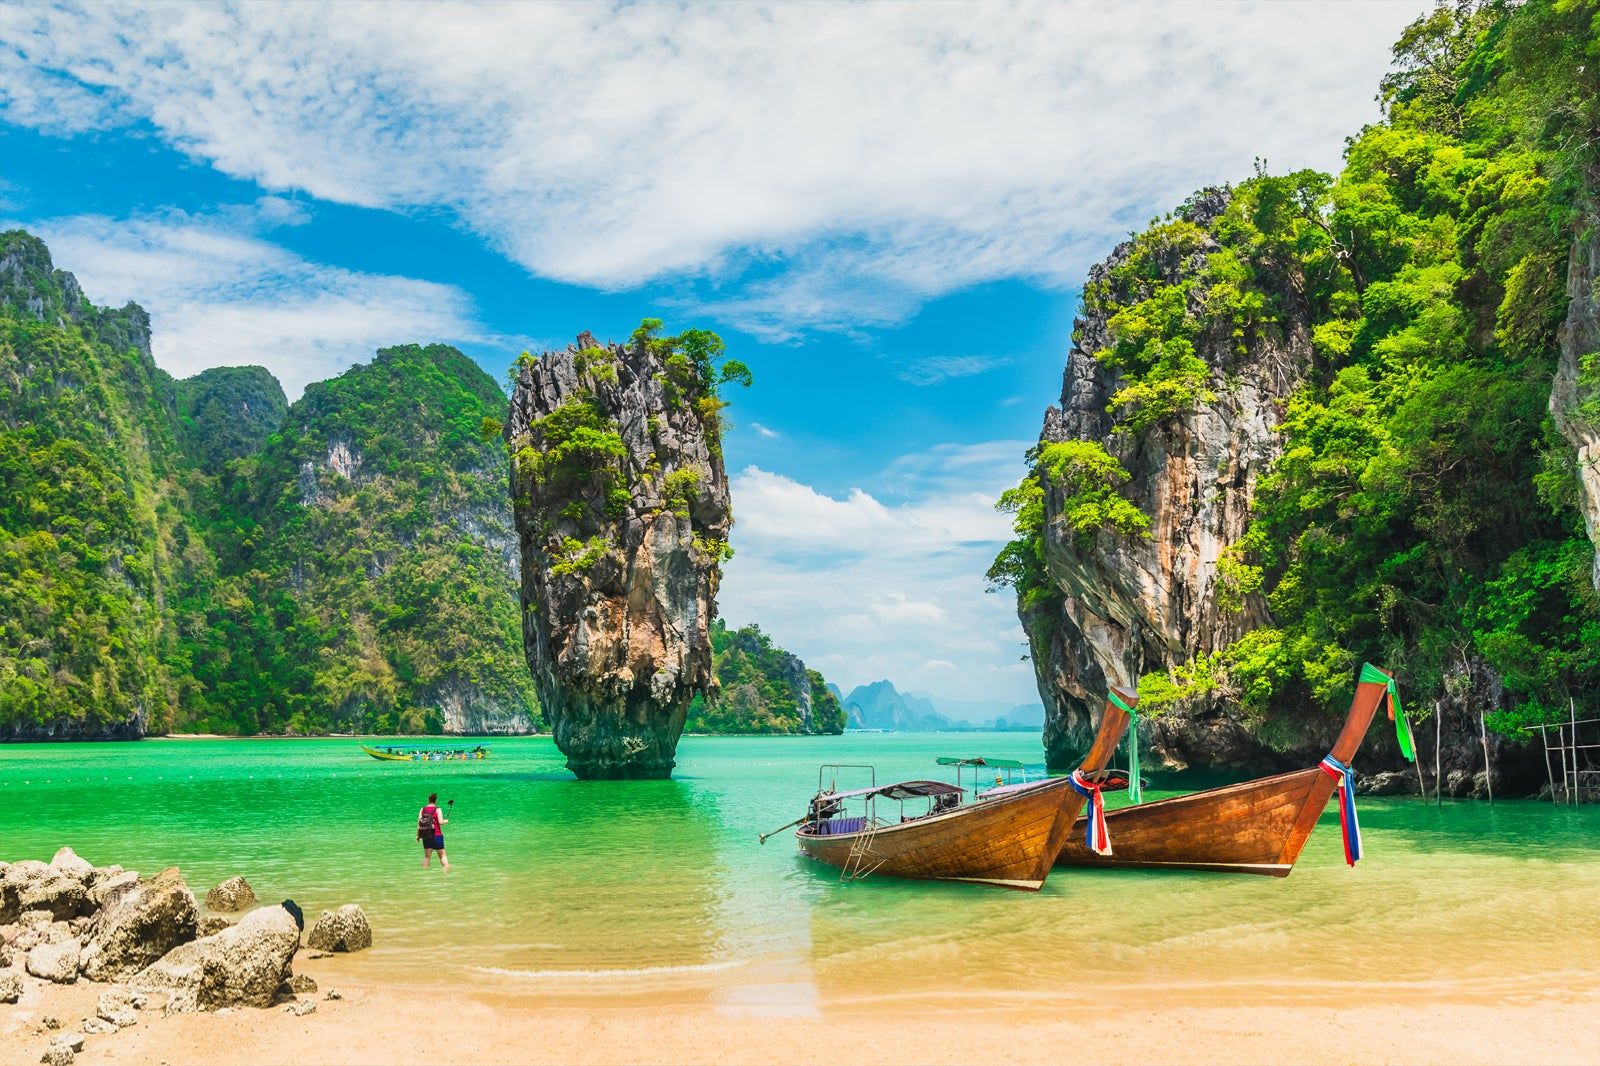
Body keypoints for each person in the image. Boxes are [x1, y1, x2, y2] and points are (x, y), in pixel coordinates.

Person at [418, 792, 449, 870]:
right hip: (437, 835)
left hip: (426, 835)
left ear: (428, 799)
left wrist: (418, 835)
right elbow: (440, 822)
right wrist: (446, 821)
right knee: (442, 856)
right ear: (436, 800)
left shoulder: (423, 809)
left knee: (427, 857)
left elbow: (419, 823)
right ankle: (446, 873)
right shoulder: (438, 809)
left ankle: (424, 875)